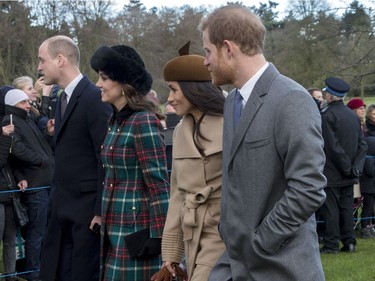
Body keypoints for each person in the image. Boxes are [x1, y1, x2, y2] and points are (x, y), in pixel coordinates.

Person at [199, 5, 327, 280]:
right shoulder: (232, 101)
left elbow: (308, 188)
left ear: (228, 48)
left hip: (282, 267)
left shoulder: (292, 99)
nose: (205, 61)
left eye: (208, 51)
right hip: (234, 264)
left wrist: (260, 242)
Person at [90, 44, 170, 280]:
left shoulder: (143, 121)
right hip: (112, 229)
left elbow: (158, 184)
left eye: (104, 78)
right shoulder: (115, 122)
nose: (98, 84)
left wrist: (161, 241)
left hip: (137, 235)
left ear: (123, 84)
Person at [37, 35, 112, 281]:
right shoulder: (62, 99)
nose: (39, 67)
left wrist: (100, 211)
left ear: (60, 60)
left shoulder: (93, 97)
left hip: (86, 214)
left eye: (42, 60)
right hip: (61, 209)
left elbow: (104, 157)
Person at [152, 42, 226, 281]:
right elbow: (178, 194)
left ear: (195, 89)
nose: (170, 99)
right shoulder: (179, 131)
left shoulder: (234, 124)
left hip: (223, 233)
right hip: (191, 236)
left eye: (174, 90)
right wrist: (172, 254)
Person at [2, 89, 54, 281]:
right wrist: (40, 160)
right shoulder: (10, 121)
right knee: (36, 234)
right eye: (23, 102)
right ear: (13, 104)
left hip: (47, 183)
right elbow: (15, 148)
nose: (28, 105)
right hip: (35, 186)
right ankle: (34, 274)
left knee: (46, 231)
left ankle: (43, 269)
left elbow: (43, 145)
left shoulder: (28, 119)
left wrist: (48, 134)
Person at [319, 77, 367, 254]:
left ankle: (331, 244)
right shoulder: (352, 116)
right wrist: (356, 167)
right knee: (346, 208)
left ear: (330, 96)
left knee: (331, 209)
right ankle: (349, 242)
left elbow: (332, 147)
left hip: (333, 171)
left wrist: (348, 167)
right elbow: (362, 145)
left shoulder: (326, 115)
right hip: (350, 171)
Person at [359, 136, 375, 238]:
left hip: (372, 188)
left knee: (371, 209)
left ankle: (369, 226)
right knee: (367, 208)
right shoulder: (368, 159)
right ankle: (364, 227)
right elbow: (371, 171)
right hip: (368, 188)